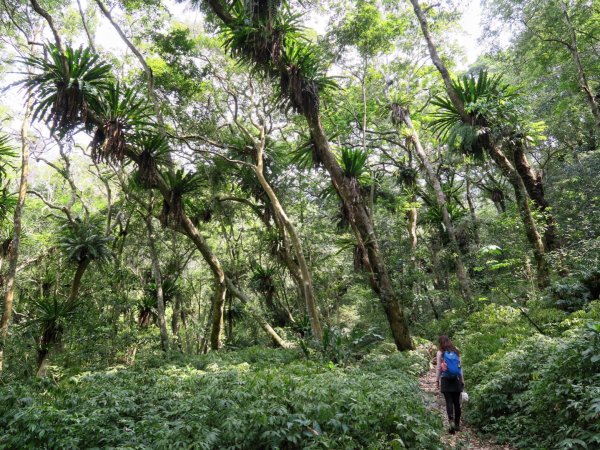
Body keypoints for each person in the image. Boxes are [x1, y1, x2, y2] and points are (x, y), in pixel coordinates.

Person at [436, 335, 464, 434]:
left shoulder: (440, 353)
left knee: (449, 402)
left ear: (440, 343)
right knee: (457, 403)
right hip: (456, 380)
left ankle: (451, 422)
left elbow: (439, 368)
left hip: (446, 380)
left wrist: (437, 380)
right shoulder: (456, 350)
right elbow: (460, 367)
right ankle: (457, 425)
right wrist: (462, 380)